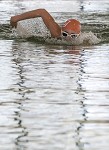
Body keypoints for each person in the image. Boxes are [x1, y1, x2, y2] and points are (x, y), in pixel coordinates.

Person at [10, 8, 81, 41]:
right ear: (61, 31)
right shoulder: (56, 33)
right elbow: (42, 12)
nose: (67, 38)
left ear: (78, 36)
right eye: (65, 34)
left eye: (73, 36)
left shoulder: (84, 42)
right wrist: (17, 18)